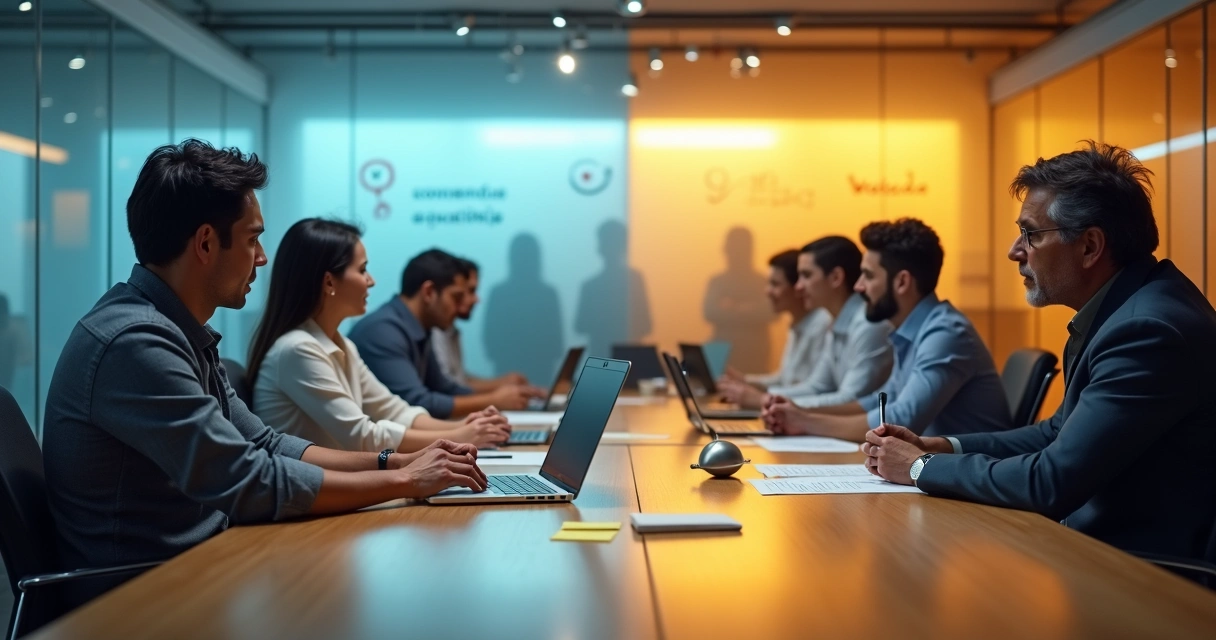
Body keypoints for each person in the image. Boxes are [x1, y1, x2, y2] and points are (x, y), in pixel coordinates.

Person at [41, 140, 487, 599]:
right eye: (253, 239)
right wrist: (402, 481)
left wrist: (395, 462)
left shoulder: (177, 330)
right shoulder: (135, 342)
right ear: (207, 243)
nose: (262, 257)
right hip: (149, 594)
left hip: (206, 561)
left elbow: (263, 442)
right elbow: (247, 480)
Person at [863, 143, 1216, 566]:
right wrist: (939, 447)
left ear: (1089, 247)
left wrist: (921, 467)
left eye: (1031, 234)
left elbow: (1052, 481)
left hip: (1143, 574)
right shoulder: (1124, 308)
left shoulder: (1146, 331)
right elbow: (1056, 433)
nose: (1016, 251)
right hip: (1098, 552)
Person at [247, 219, 513, 453]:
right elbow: (363, 438)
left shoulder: (342, 345)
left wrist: (462, 428)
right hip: (313, 503)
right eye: (362, 270)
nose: (371, 280)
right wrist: (457, 435)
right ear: (329, 282)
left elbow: (395, 411)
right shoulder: (297, 350)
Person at [762, 218, 1011, 443]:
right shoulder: (910, 331)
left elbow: (900, 420)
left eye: (868, 276)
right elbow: (881, 401)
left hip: (967, 480)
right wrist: (798, 410)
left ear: (902, 282)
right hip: (938, 473)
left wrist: (805, 421)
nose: (858, 287)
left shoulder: (946, 333)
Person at [349, 249, 542, 418]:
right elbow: (416, 402)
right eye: (456, 297)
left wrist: (497, 397)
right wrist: (493, 400)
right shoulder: (383, 331)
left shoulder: (419, 327)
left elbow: (444, 388)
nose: (460, 306)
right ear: (429, 292)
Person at [763, 236, 893, 409]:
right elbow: (817, 387)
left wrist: (776, 403)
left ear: (836, 278)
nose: (799, 287)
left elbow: (851, 399)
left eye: (806, 275)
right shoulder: (836, 321)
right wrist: (773, 400)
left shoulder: (868, 324)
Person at [717, 249, 830, 408]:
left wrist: (761, 398)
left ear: (797, 287)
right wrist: (745, 381)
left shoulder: (823, 325)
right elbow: (785, 378)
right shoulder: (798, 324)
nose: (767, 291)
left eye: (775, 284)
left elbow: (816, 389)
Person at [431, 257, 535, 393]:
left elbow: (459, 379)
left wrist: (503, 383)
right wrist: (498, 392)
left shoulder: (451, 330)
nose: (475, 299)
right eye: (470, 291)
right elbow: (446, 389)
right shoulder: (434, 331)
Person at [703, 227, 773, 372]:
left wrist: (732, 307)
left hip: (753, 354)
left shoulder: (761, 281)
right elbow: (709, 312)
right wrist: (750, 308)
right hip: (723, 351)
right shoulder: (717, 281)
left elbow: (770, 312)